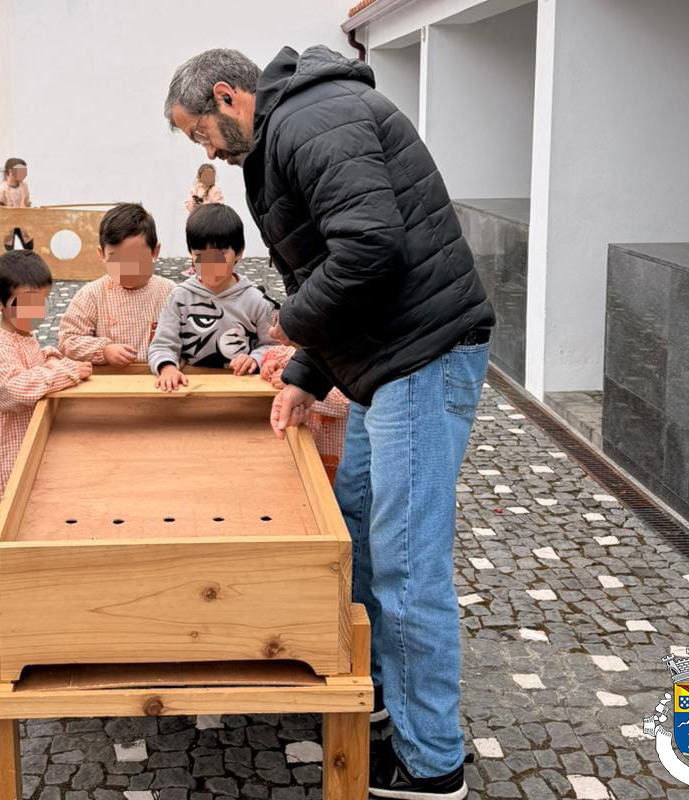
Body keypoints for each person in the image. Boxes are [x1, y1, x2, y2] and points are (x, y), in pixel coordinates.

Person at [164, 46, 494, 799]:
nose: (205, 151)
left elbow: (371, 251)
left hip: (421, 356)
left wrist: (288, 329)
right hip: (388, 359)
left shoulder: (312, 119)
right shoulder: (291, 128)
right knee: (356, 525)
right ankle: (376, 689)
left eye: (199, 132)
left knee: (407, 563)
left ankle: (431, 762)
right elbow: (327, 272)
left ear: (227, 96)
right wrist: (307, 375)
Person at [0, 251, 92, 605]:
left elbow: (33, 362)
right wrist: (67, 371)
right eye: (27, 304)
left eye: (41, 303)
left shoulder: (23, 335)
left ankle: (26, 596)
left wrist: (50, 357)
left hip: (20, 453)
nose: (36, 312)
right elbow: (13, 389)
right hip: (2, 459)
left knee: (21, 524)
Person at [148, 203, 275, 392]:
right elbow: (162, 345)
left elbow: (272, 346)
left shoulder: (257, 301)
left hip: (241, 389)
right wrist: (167, 368)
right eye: (200, 255)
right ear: (191, 254)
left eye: (220, 255)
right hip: (190, 388)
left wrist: (254, 359)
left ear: (239, 252)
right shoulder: (180, 298)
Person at [57, 203, 175, 366]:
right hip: (109, 379)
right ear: (102, 254)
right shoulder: (92, 294)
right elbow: (67, 340)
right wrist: (104, 350)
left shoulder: (169, 292)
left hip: (159, 376)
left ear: (155, 251)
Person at [260, 345, 349, 485]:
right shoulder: (301, 350)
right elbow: (276, 352)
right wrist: (270, 364)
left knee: (330, 491)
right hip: (307, 447)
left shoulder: (347, 361)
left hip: (338, 456)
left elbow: (344, 403)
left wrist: (297, 386)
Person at [0, 157, 33, 250]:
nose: (24, 175)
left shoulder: (24, 186)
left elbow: (27, 202)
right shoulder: (1, 189)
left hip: (23, 222)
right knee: (8, 248)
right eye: (21, 171)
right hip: (8, 224)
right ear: (10, 172)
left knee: (30, 246)